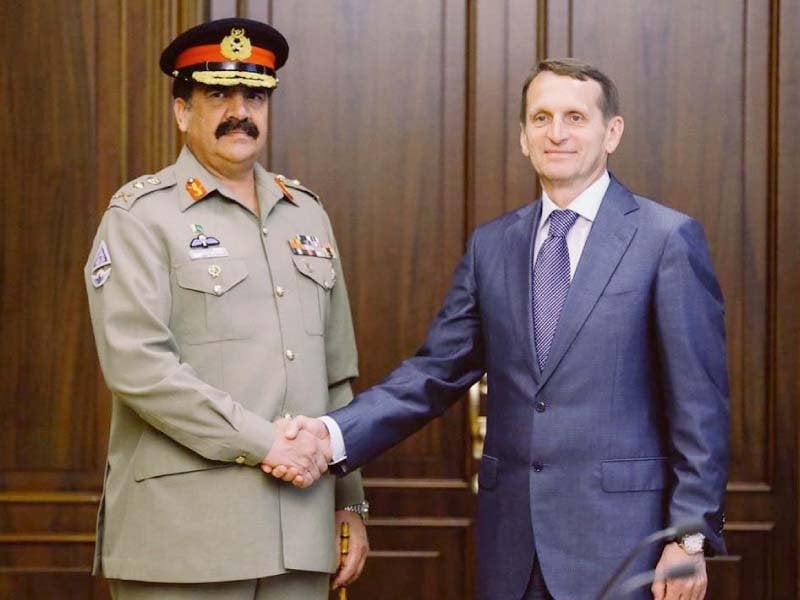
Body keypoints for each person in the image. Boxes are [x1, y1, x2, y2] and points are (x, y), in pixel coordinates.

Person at [268, 59, 729, 600]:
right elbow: (435, 372)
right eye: (541, 118)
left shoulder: (665, 238)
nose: (557, 133)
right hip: (511, 549)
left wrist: (689, 537)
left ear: (612, 132)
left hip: (627, 550)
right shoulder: (493, 246)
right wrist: (330, 436)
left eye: (575, 117)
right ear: (523, 137)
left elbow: (701, 407)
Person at [84, 18, 368, 600]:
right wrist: (267, 442)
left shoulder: (306, 215)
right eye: (218, 94)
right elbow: (140, 367)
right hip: (186, 539)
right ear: (182, 111)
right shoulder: (141, 216)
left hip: (301, 534)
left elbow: (336, 377)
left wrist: (349, 500)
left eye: (255, 96)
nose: (241, 111)